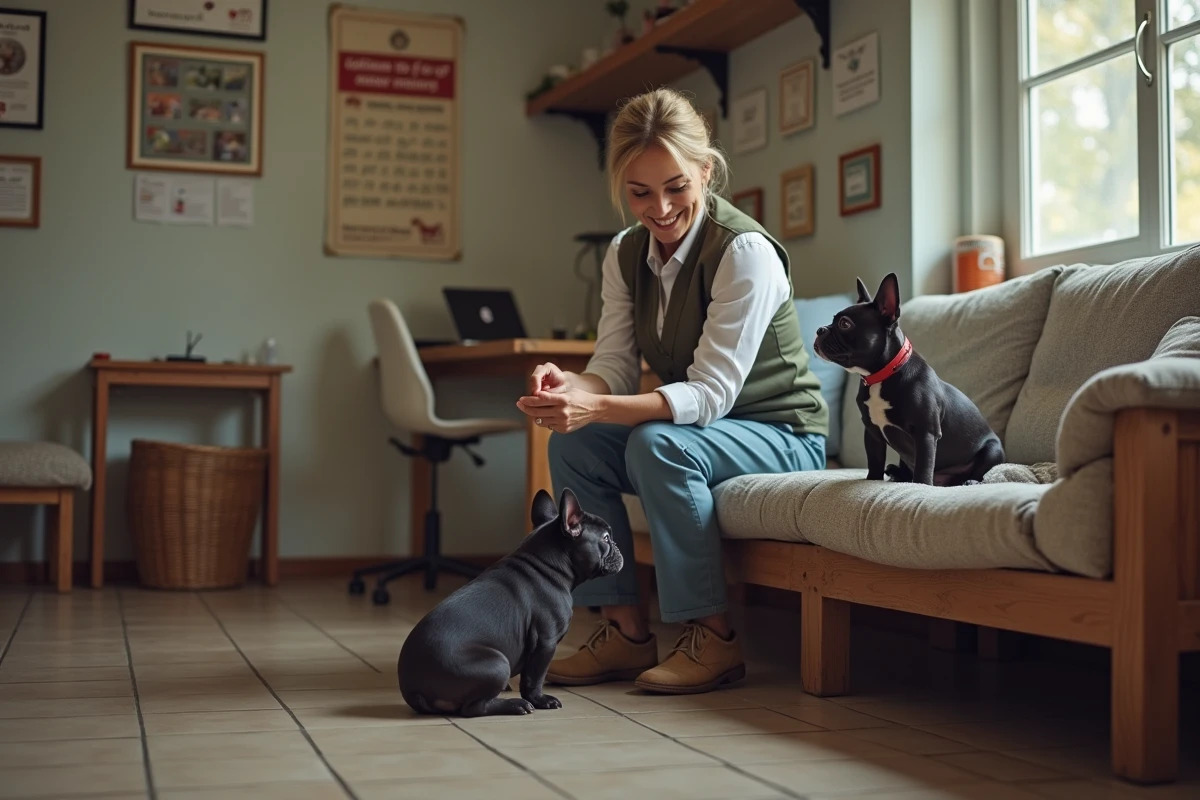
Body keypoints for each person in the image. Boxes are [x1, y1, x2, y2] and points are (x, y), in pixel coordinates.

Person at [515, 87, 828, 695]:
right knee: (576, 447)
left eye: (676, 187)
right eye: (639, 192)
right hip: (708, 434)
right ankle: (626, 634)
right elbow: (613, 364)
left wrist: (599, 405)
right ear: (621, 187)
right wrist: (571, 386)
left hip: (781, 434)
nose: (659, 208)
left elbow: (709, 394)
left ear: (705, 171)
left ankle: (713, 639)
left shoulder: (745, 252)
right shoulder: (624, 254)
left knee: (656, 444)